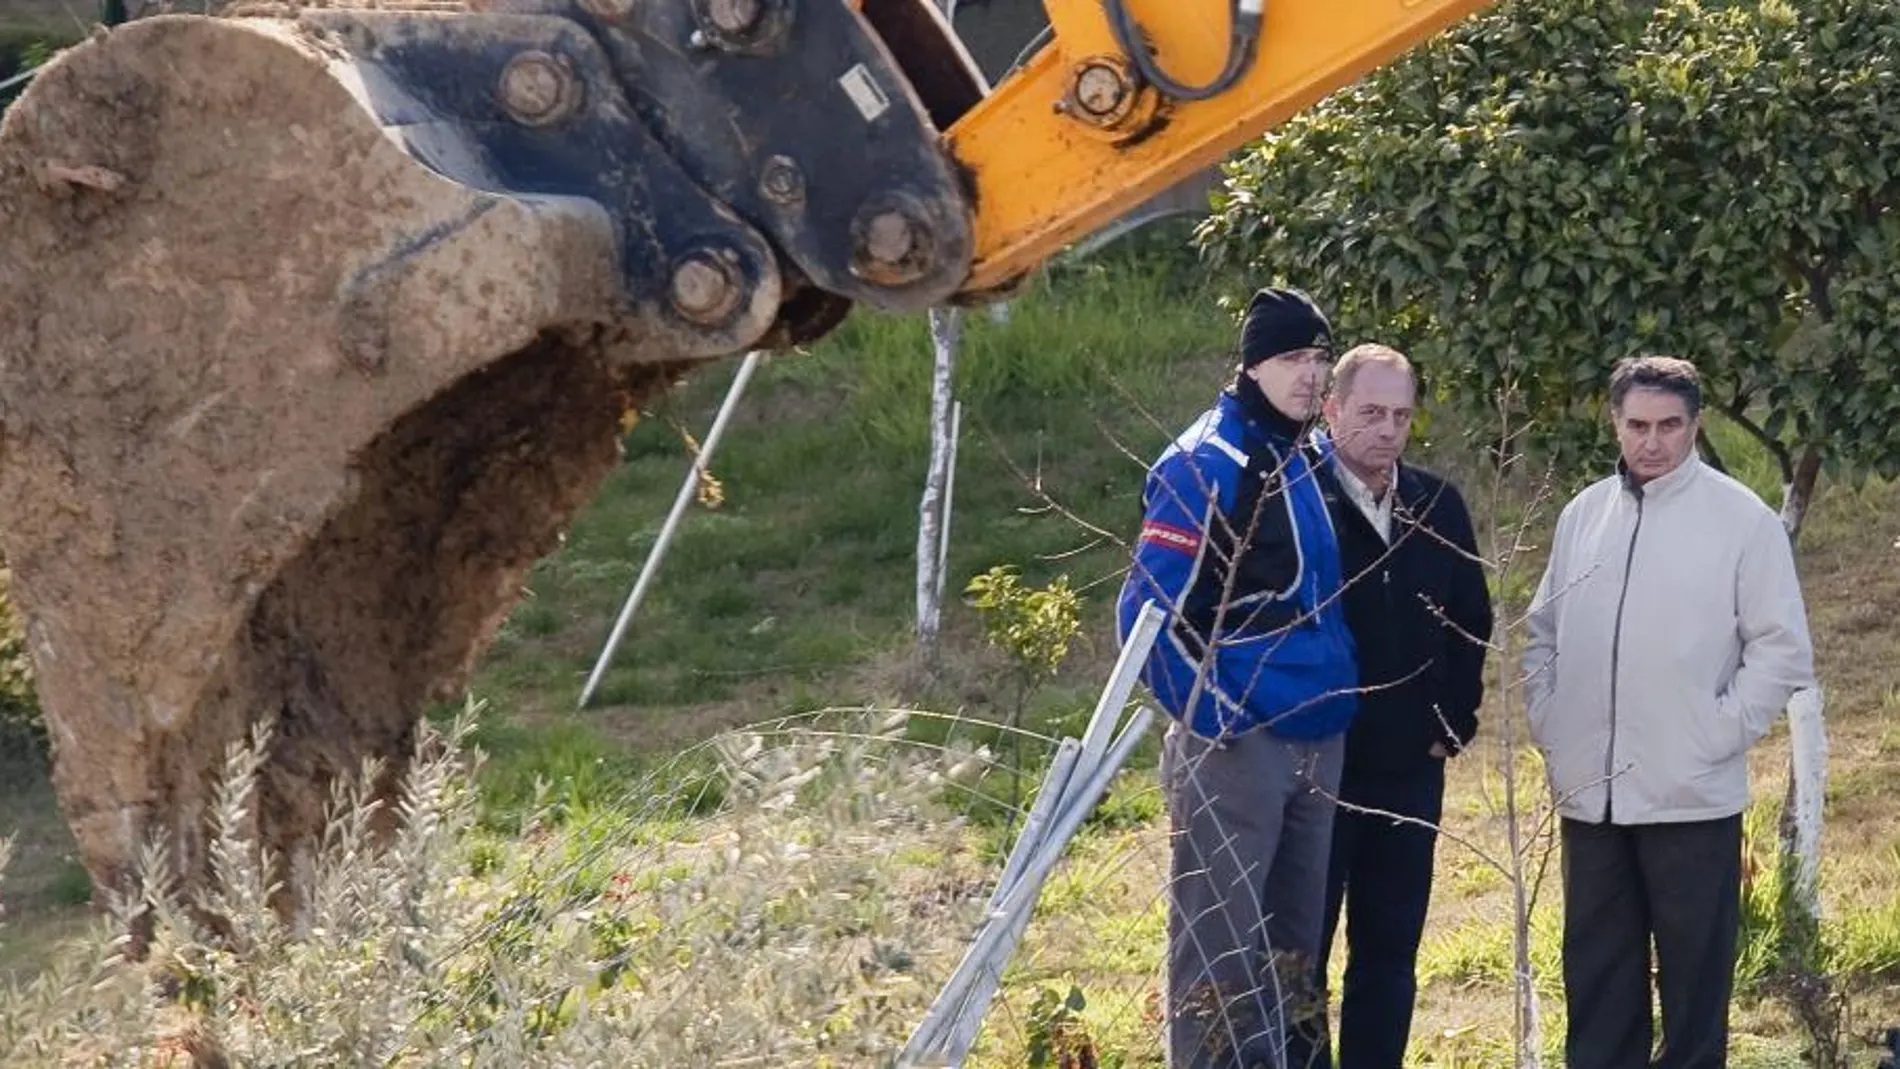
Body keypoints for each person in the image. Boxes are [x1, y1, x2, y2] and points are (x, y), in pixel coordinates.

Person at [1524, 355, 1816, 1069]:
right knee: (1596, 987)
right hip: (1592, 802)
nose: (1652, 441)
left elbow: (1781, 652)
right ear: (1615, 423)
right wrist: (1554, 726)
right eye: (1637, 425)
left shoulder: (1743, 522)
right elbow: (1543, 634)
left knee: (1693, 997)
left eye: (1669, 425)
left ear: (1695, 425)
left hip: (1692, 801)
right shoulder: (1581, 515)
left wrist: (1714, 734)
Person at [1116, 287, 1359, 1068]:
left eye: (1321, 359)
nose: (1311, 375)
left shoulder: (1311, 451)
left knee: (1297, 944)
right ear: (1252, 363)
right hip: (1239, 741)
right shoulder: (1203, 462)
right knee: (1218, 945)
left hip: (1320, 733)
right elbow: (1144, 613)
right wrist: (1214, 715)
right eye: (1293, 358)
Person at [1298, 344, 1492, 1069]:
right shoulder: (1296, 499)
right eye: (1372, 412)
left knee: (1388, 950)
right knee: (1300, 953)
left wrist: (1450, 724)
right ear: (1333, 409)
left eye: (1401, 415)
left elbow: (1471, 618)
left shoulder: (1437, 503)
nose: (1387, 429)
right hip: (1315, 768)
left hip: (1409, 770)